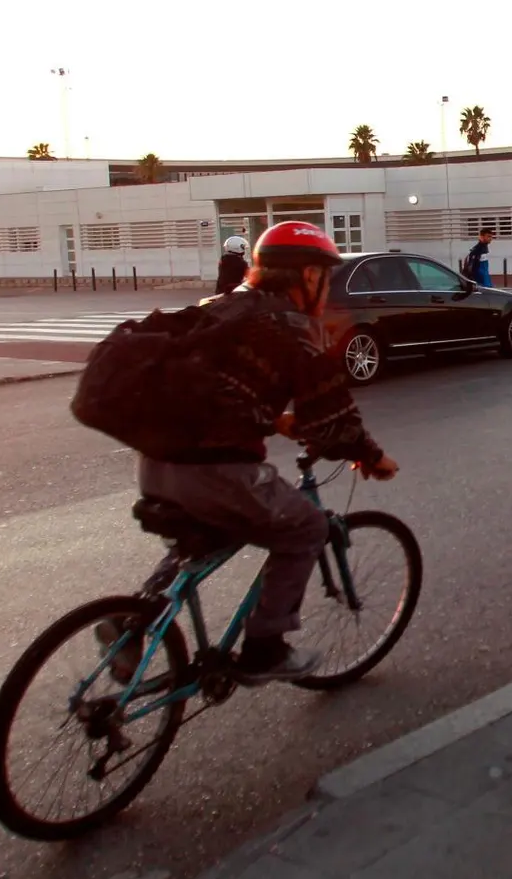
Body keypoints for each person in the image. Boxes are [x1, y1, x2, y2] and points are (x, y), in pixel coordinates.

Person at [118, 222, 398, 683]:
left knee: (207, 535)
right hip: (214, 473)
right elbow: (334, 418)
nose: (326, 289)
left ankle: (133, 625)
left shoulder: (220, 306)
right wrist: (370, 456)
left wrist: (275, 421)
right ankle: (264, 648)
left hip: (155, 465)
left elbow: (215, 391)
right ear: (308, 276)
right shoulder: (292, 329)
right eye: (325, 277)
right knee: (307, 528)